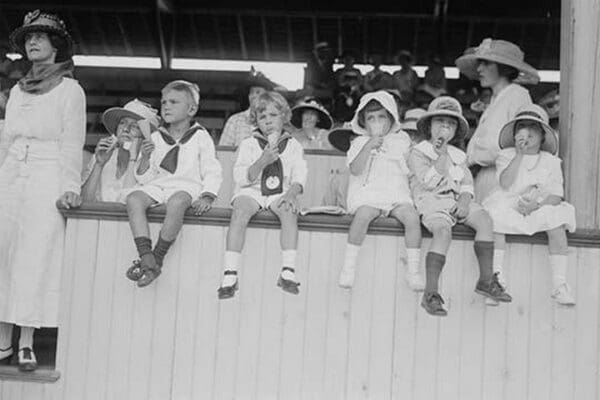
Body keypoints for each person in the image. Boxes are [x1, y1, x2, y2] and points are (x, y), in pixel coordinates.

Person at [0, 10, 86, 371]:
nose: (33, 42)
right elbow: (7, 138)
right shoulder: (17, 91)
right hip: (12, 173)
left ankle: (27, 342)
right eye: (28, 38)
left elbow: (71, 142)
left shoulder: (71, 90)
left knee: (35, 255)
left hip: (48, 173)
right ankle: (3, 339)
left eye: (40, 37)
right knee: (4, 250)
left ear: (56, 45)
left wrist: (69, 185)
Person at [408, 96, 512, 316]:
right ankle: (431, 293)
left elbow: (466, 183)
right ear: (429, 126)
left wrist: (465, 200)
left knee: (485, 220)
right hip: (432, 199)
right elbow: (428, 182)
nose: (445, 127)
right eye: (440, 122)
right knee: (443, 231)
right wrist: (441, 155)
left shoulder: (459, 156)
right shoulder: (419, 152)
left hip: (456, 200)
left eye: (451, 123)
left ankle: (485, 279)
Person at [123, 80, 222, 287]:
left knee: (177, 202)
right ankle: (145, 254)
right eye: (164, 102)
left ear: (192, 109)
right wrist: (145, 159)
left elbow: (212, 169)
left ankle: (157, 257)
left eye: (174, 102)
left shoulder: (201, 137)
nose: (166, 106)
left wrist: (207, 195)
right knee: (133, 199)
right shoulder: (157, 137)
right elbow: (146, 177)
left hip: (187, 186)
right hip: (159, 186)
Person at [482, 104, 576, 305]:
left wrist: (537, 205)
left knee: (557, 218)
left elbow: (556, 194)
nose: (528, 132)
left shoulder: (551, 161)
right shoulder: (506, 155)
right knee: (494, 218)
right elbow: (505, 183)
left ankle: (559, 285)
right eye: (522, 127)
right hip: (507, 203)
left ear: (543, 135)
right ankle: (496, 280)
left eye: (534, 127)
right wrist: (518, 154)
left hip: (537, 206)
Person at [218, 91, 307, 299]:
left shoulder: (293, 146)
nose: (268, 121)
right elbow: (241, 177)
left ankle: (288, 270)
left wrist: (292, 194)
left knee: (288, 210)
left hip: (280, 192)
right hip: (252, 191)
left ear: (284, 117)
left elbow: (300, 176)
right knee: (239, 211)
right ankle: (230, 272)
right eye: (262, 117)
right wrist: (262, 161)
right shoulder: (248, 144)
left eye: (273, 116)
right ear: (255, 120)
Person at [338, 91, 424, 291]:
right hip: (369, 193)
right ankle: (348, 267)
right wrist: (368, 147)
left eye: (382, 117)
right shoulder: (358, 142)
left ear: (391, 118)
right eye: (371, 118)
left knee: (411, 218)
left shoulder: (402, 140)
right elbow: (355, 169)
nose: (376, 122)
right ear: (363, 122)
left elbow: (410, 169)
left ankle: (413, 270)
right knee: (363, 215)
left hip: (396, 193)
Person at [81, 99, 160, 202]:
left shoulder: (150, 163)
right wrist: (99, 164)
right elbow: (85, 201)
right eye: (122, 123)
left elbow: (128, 202)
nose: (126, 129)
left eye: (135, 126)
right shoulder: (105, 156)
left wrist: (134, 157)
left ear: (146, 137)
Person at [218, 69, 275, 147]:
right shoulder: (235, 121)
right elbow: (223, 153)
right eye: (251, 92)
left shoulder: (273, 121)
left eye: (258, 92)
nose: (254, 96)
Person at [333, 49, 363, 121]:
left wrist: (355, 85)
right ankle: (341, 117)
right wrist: (347, 82)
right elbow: (339, 82)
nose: (349, 61)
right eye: (347, 59)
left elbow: (361, 82)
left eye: (350, 59)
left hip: (355, 91)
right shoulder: (339, 71)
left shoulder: (357, 71)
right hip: (343, 92)